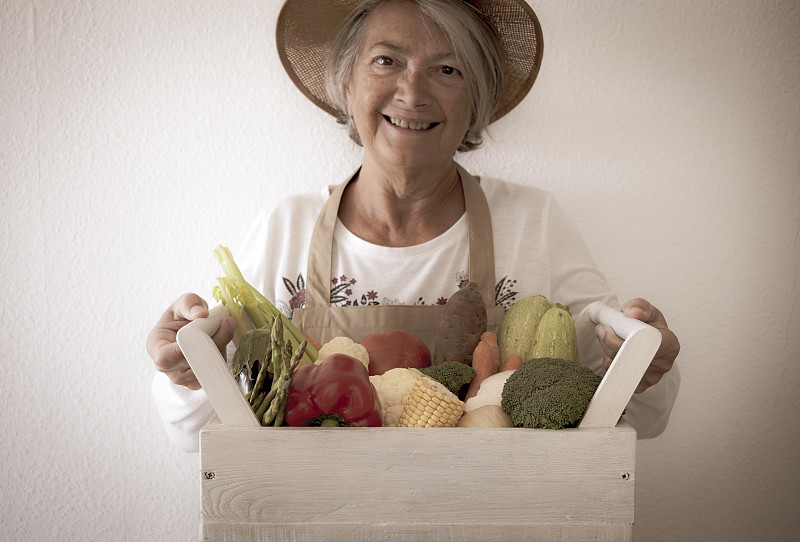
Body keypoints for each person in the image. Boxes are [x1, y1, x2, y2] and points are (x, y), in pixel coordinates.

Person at [147, 0, 680, 452]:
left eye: (447, 69)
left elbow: (642, 419)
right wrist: (188, 370)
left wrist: (647, 364)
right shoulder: (285, 227)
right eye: (386, 61)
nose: (412, 92)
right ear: (347, 82)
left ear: (476, 99)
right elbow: (192, 434)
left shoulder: (534, 224)